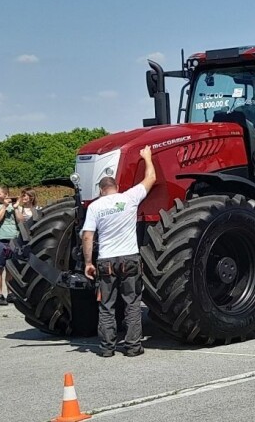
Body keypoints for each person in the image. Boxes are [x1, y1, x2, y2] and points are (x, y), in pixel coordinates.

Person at [82, 146, 156, 357]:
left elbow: (87, 236)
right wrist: (147, 158)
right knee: (132, 303)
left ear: (100, 190)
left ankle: (107, 348)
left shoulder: (95, 207)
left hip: (106, 261)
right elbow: (150, 178)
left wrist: (89, 262)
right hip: (129, 257)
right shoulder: (129, 198)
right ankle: (133, 347)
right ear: (116, 186)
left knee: (107, 306)